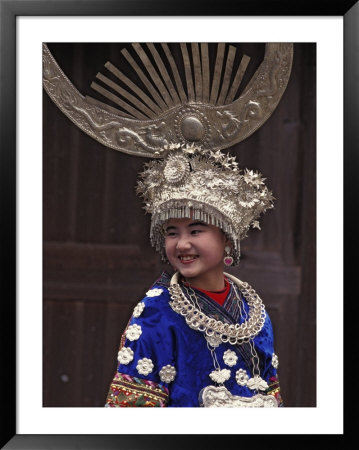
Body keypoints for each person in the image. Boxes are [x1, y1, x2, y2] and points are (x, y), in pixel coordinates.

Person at [105, 144, 283, 408]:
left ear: (226, 238)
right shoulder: (156, 311)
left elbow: (271, 393)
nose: (182, 244)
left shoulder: (253, 310)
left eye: (195, 230)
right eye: (172, 232)